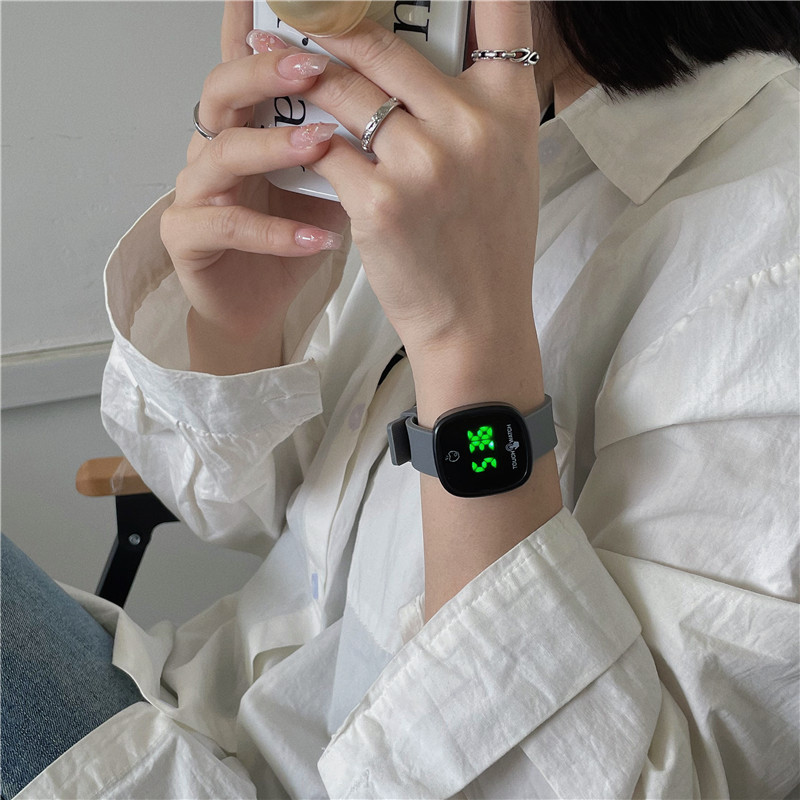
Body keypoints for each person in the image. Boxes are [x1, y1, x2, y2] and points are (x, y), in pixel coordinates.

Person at [3, 1, 798, 797]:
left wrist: (468, 346)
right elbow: (241, 509)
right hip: (187, 718)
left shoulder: (770, 240)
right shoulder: (444, 147)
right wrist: (237, 326)